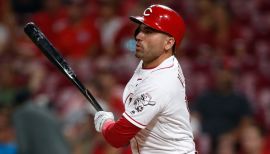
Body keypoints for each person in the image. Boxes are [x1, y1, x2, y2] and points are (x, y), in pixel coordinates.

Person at [94, 4, 196, 154]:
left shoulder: (160, 83)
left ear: (169, 43)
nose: (139, 36)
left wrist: (105, 123)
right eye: (141, 29)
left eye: (149, 31)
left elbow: (117, 138)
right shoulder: (156, 60)